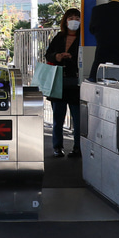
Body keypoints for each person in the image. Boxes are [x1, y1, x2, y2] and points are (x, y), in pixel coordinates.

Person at [44, 8, 82, 158]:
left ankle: (78, 148)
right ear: (65, 21)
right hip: (58, 81)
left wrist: (71, 58)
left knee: (78, 119)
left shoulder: (84, 38)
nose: (74, 21)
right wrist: (58, 56)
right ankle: (57, 147)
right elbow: (48, 55)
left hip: (77, 83)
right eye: (71, 18)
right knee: (58, 119)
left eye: (77, 18)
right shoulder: (59, 37)